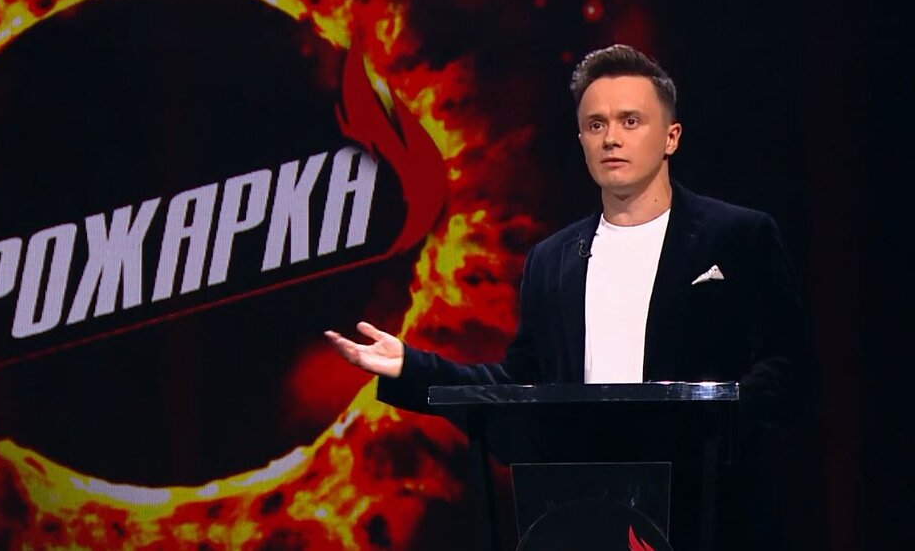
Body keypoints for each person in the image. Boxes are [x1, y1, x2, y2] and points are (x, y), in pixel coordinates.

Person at [325, 44, 807, 549]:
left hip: (708, 516)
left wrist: (710, 428)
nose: (611, 138)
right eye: (596, 125)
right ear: (581, 140)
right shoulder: (551, 260)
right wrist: (410, 367)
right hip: (586, 517)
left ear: (671, 137)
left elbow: (786, 365)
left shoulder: (737, 237)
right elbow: (521, 387)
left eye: (630, 121)